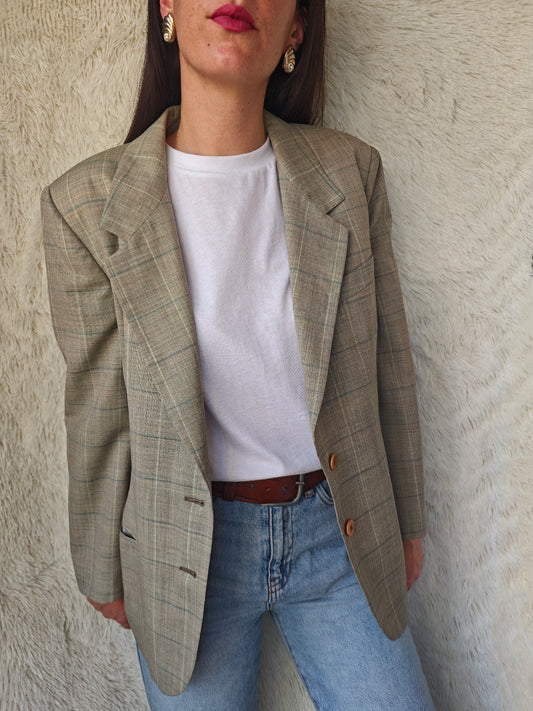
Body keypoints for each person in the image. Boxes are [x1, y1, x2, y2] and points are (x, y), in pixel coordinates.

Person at [41, 1, 436, 709]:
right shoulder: (84, 207)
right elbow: (98, 406)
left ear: (295, 30)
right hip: (184, 547)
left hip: (340, 533)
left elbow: (388, 364)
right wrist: (101, 564)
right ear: (168, 7)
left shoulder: (349, 173)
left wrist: (405, 521)